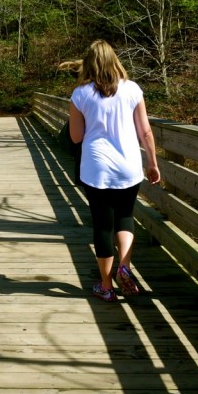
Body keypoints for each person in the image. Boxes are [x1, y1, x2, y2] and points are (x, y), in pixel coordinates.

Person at [69, 40, 161, 302]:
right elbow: (145, 131)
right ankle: (125, 266)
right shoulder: (132, 90)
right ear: (114, 60)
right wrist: (153, 163)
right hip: (128, 166)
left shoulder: (81, 94)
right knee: (125, 217)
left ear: (89, 63)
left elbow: (76, 137)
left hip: (96, 168)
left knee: (102, 225)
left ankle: (106, 286)